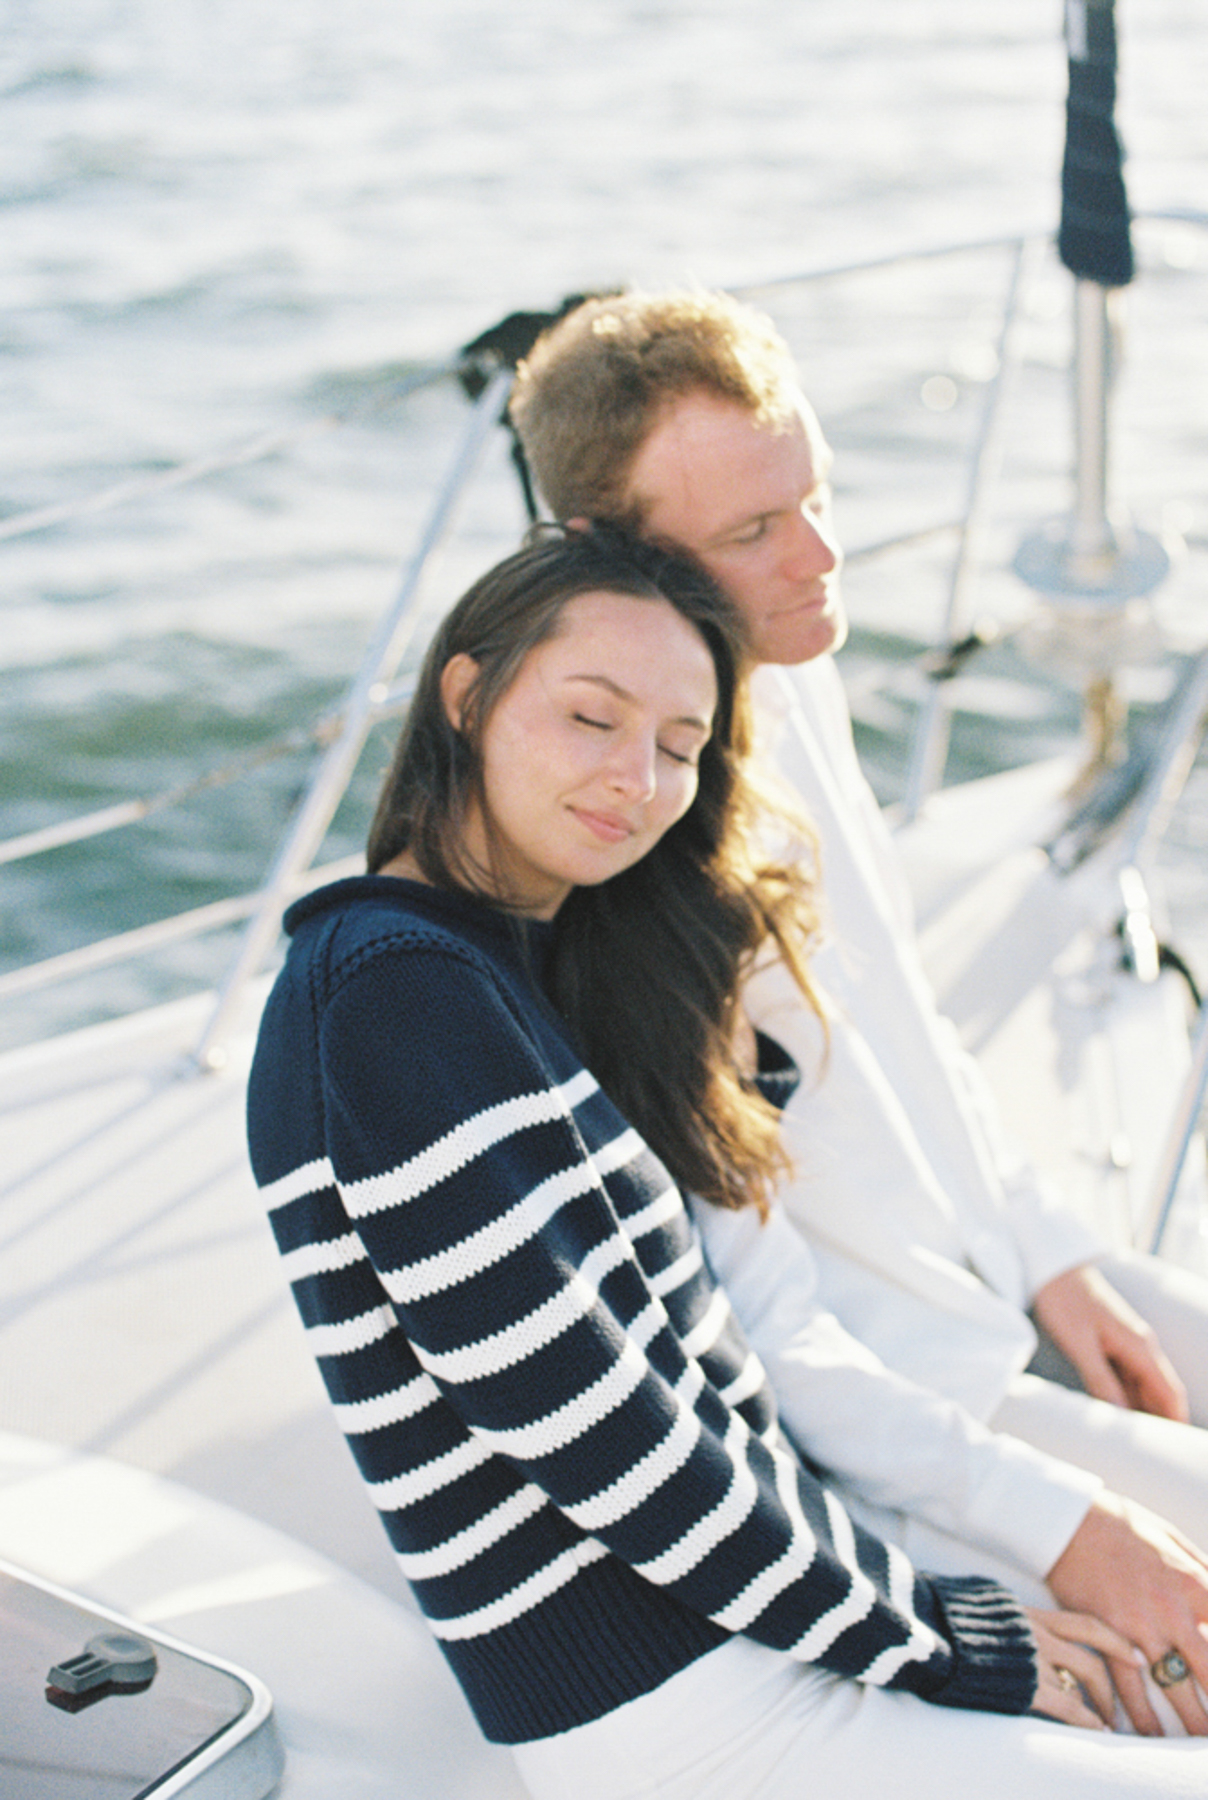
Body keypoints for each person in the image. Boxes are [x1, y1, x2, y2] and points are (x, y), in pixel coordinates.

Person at [245, 527, 1199, 1796]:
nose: (635, 779)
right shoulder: (392, 997)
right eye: (592, 716)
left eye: (680, 747)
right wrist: (948, 1637)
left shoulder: (497, 976)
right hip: (686, 1713)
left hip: (767, 1629)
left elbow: (704, 1405)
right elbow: (611, 1449)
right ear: (465, 696)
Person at [509, 289, 1208, 1738]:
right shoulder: (626, 859)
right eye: (754, 533)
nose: (821, 560)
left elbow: (905, 1023)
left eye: (815, 496)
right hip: (915, 1418)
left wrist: (1052, 1249)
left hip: (1001, 1283)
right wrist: (1058, 1532)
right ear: (606, 557)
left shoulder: (787, 664)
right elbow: (763, 1337)